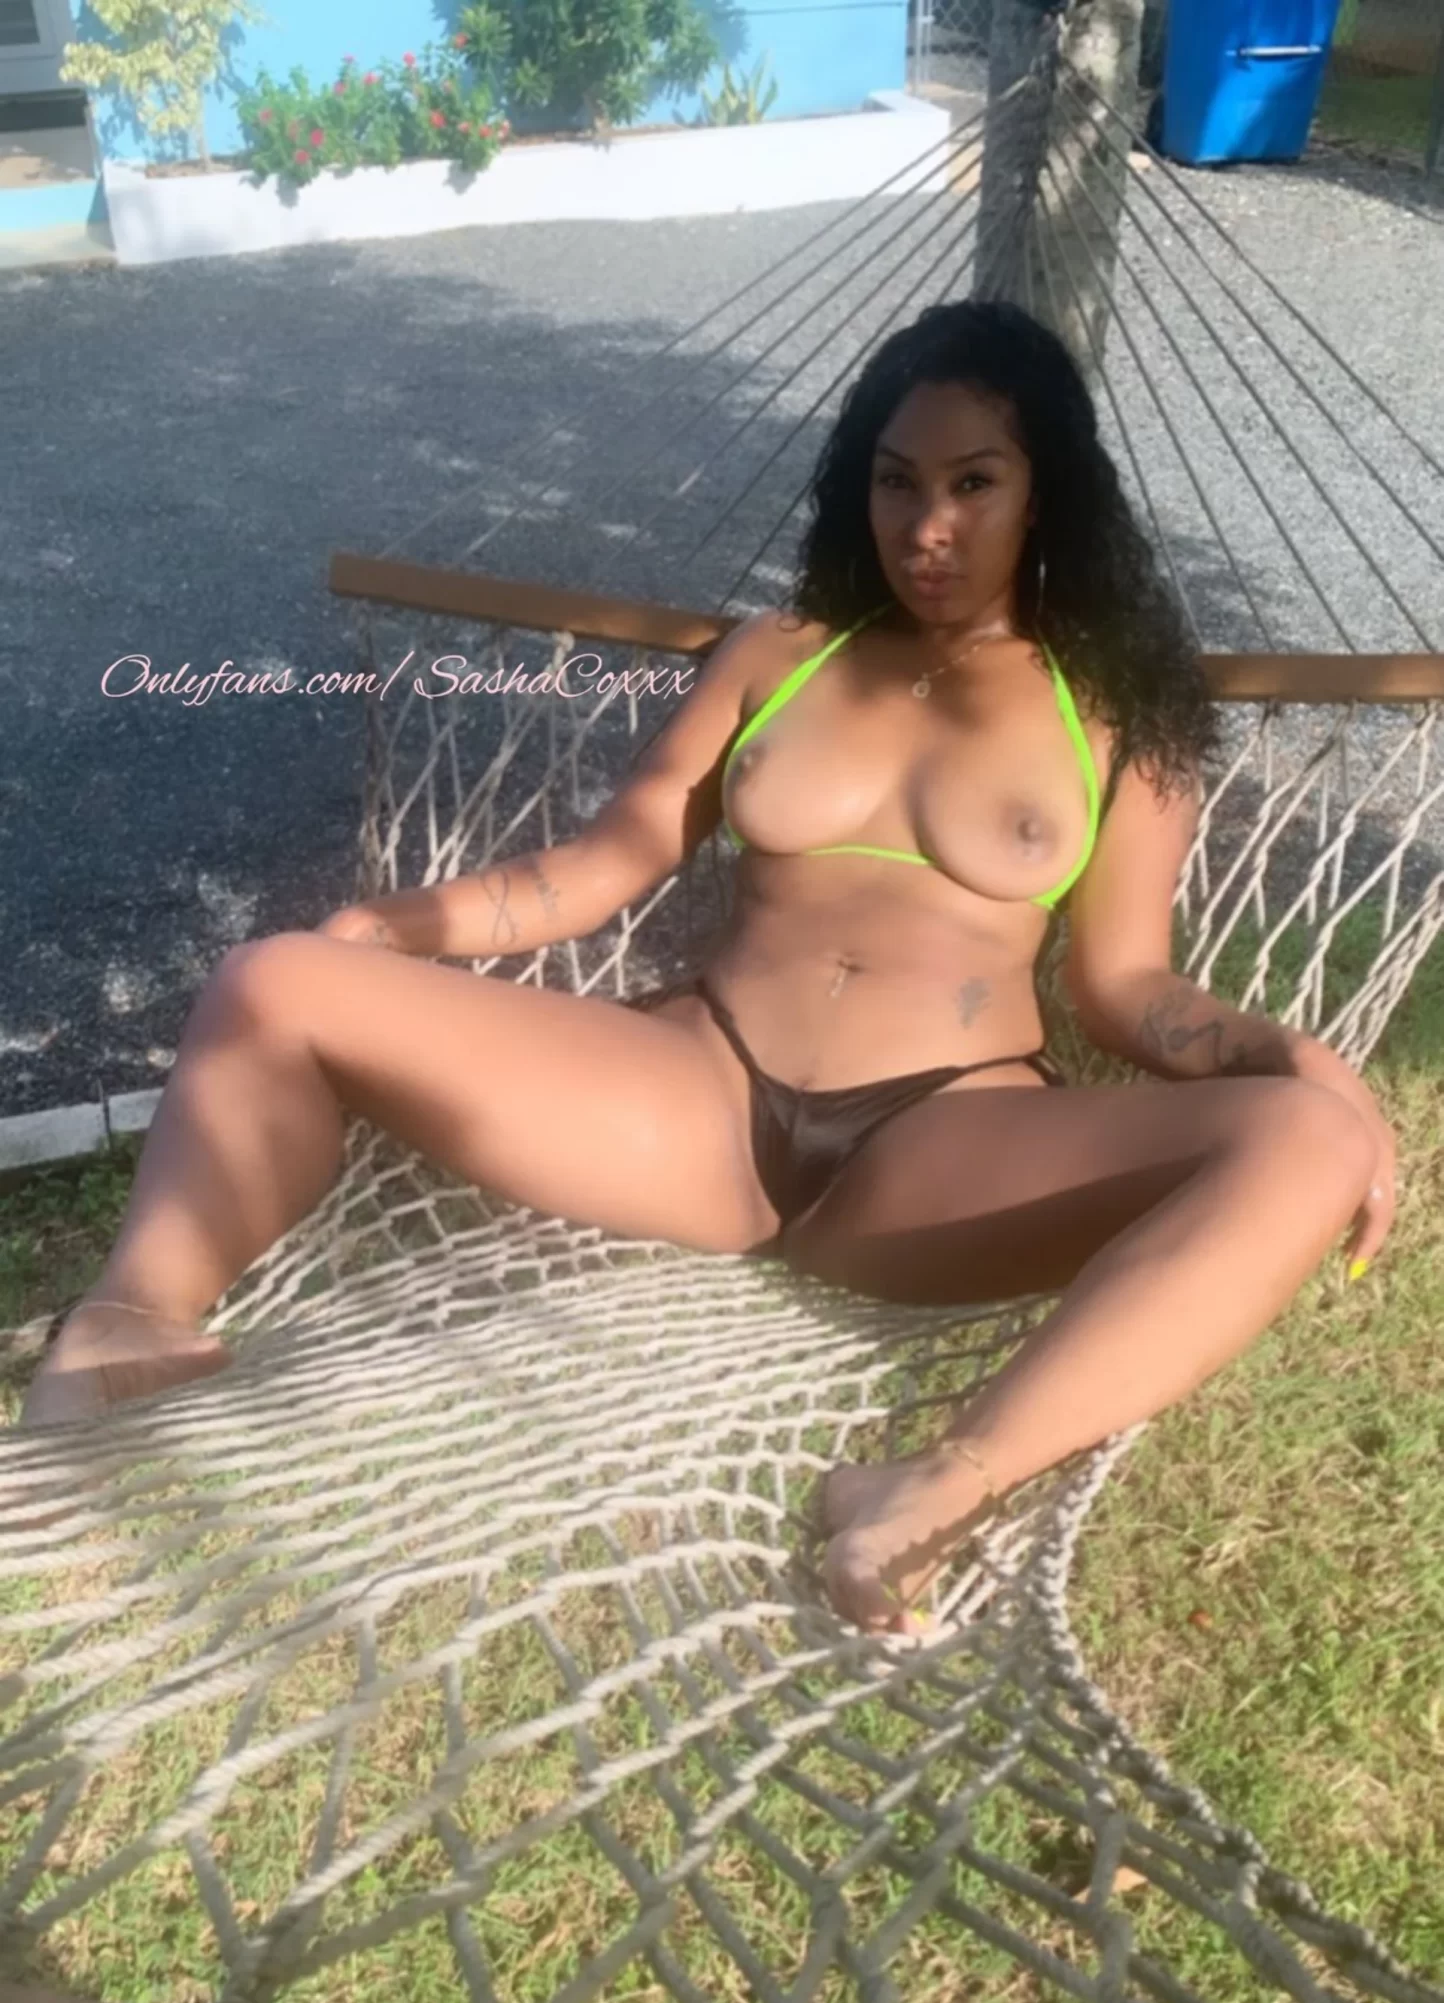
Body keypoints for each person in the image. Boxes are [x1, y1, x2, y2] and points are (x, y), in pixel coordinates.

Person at [20, 299, 1395, 1636]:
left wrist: (1280, 1053)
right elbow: (607, 860)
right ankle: (132, 1319)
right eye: (897, 482)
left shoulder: (1117, 710)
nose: (928, 527)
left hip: (941, 1146)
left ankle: (941, 1480)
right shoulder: (781, 656)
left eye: (975, 483)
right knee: (274, 979)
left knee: (1311, 1139)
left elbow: (1124, 987)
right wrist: (402, 928)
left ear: (1045, 495)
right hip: (695, 1101)